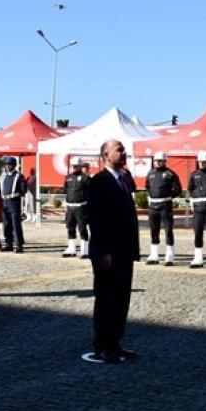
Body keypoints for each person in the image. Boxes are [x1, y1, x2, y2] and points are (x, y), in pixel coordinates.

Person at [83, 138, 140, 364]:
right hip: (107, 252)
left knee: (122, 298)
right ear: (105, 155)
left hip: (125, 250)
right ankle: (102, 345)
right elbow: (97, 219)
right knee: (106, 298)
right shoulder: (99, 181)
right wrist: (104, 251)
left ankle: (115, 342)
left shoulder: (124, 179)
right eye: (118, 150)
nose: (123, 152)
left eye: (123, 149)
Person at [144, 151, 182, 266]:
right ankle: (154, 255)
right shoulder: (150, 173)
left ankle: (169, 256)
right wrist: (153, 195)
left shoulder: (170, 174)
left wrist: (168, 196)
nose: (158, 162)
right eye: (157, 160)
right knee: (154, 231)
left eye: (161, 161)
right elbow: (147, 187)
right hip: (153, 207)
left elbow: (178, 189)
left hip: (165, 206)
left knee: (168, 230)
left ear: (165, 161)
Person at [0, 156, 28, 253]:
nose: (8, 166)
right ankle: (8, 244)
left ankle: (19, 245)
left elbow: (23, 190)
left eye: (9, 164)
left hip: (14, 202)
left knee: (15, 224)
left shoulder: (19, 176)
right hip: (5, 203)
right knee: (6, 225)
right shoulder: (3, 176)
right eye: (6, 164)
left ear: (14, 165)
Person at [62, 157, 90, 258]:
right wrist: (65, 204)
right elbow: (65, 190)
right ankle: (71, 248)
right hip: (70, 207)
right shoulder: (67, 177)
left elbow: (91, 192)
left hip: (81, 207)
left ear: (80, 166)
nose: (74, 168)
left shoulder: (85, 177)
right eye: (73, 166)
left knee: (82, 228)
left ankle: (85, 250)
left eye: (76, 166)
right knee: (70, 227)